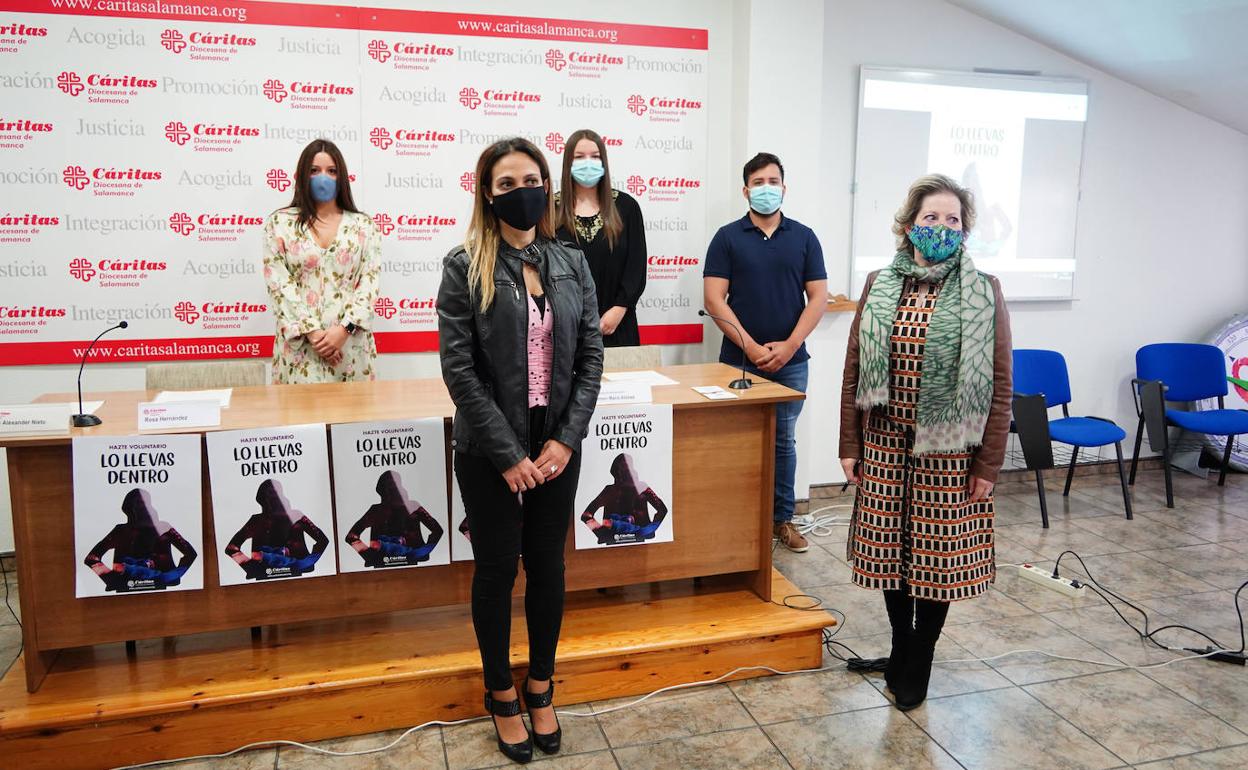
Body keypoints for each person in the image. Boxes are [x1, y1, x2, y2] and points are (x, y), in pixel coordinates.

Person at [437, 137, 603, 764]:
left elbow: (591, 358)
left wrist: (565, 439)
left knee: (550, 570)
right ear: (487, 192)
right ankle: (501, 691)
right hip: (491, 455)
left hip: (557, 449)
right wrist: (508, 454)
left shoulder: (570, 262)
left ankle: (541, 685)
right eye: (507, 183)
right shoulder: (464, 265)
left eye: (531, 179)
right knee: (498, 571)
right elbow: (460, 370)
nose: (522, 191)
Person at [839, 173, 1012, 711]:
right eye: (931, 217)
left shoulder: (984, 291)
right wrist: (850, 443)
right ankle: (899, 647)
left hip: (951, 453)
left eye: (952, 219)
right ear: (910, 224)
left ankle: (922, 658)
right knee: (890, 555)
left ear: (965, 231)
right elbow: (853, 370)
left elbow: (1001, 383)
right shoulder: (879, 284)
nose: (941, 227)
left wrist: (989, 462)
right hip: (886, 443)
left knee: (936, 563)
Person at [703, 152, 828, 553]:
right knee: (735, 440)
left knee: (783, 442)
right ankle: (734, 519)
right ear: (745, 190)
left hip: (791, 363)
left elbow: (819, 298)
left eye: (773, 181)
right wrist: (754, 348)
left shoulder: (805, 237)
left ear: (784, 188)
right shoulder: (726, 237)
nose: (766, 188)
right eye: (758, 182)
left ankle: (782, 520)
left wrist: (789, 346)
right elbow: (714, 299)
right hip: (738, 360)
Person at [262, 138, 381, 384]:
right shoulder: (280, 223)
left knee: (353, 420)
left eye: (332, 171)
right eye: (314, 171)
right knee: (298, 420)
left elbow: (369, 284)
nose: (323, 177)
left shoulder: (364, 226)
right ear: (303, 176)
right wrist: (314, 333)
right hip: (300, 352)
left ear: (342, 177)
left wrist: (344, 330)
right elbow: (279, 285)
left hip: (350, 350)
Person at [555, 129, 647, 347]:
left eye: (595, 156)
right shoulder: (550, 209)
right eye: (579, 157)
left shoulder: (626, 206)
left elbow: (636, 267)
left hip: (618, 325)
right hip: (565, 330)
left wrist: (619, 309)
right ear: (568, 162)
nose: (588, 163)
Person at [84, 488, 197, 591]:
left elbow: (191, 554)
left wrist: (172, 576)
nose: (142, 507)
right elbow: (91, 558)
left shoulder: (164, 528)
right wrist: (111, 579)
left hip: (165, 587)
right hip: (127, 588)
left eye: (145, 502)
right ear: (130, 507)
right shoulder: (121, 531)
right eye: (138, 503)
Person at [224, 478, 329, 580]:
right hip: (265, 578)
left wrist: (307, 563)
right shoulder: (256, 521)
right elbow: (231, 548)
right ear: (262, 499)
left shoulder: (296, 516)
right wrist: (250, 567)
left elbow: (323, 540)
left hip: (296, 575)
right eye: (270, 495)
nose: (274, 498)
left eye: (276, 493)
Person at [344, 471, 444, 568]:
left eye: (397, 485)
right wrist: (369, 556)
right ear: (383, 491)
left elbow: (437, 530)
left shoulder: (413, 506)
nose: (395, 490)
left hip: (412, 563)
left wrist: (422, 552)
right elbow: (351, 536)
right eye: (390, 487)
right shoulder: (376, 511)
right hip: (383, 565)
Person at [580, 453, 669, 545]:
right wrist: (601, 533)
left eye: (630, 466)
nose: (628, 471)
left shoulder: (642, 487)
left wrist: (648, 530)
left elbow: (662, 510)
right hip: (614, 542)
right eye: (624, 467)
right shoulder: (609, 491)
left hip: (641, 541)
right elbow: (586, 515)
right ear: (616, 472)